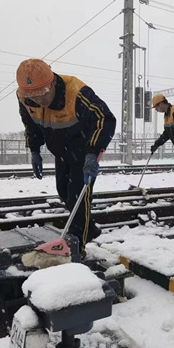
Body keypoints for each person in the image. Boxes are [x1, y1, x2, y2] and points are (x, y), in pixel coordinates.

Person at [16, 59, 116, 254]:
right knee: (64, 192)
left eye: (42, 93)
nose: (38, 100)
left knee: (79, 195)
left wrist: (93, 152)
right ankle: (90, 228)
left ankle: (78, 246)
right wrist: (34, 150)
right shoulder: (24, 99)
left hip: (83, 148)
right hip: (61, 150)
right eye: (31, 95)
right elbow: (30, 123)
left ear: (53, 82)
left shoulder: (77, 92)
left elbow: (105, 118)